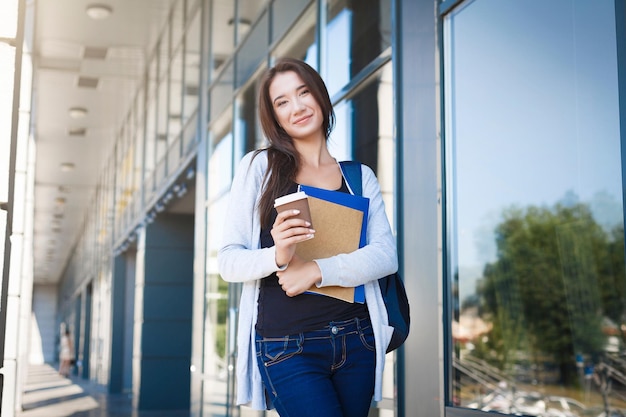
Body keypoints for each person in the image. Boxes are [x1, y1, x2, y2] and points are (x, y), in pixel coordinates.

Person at [218, 57, 398, 417]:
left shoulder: (359, 177)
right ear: (274, 116)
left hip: (357, 338)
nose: (297, 107)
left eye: (303, 93)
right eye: (282, 102)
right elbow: (228, 261)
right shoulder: (260, 168)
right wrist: (278, 254)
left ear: (320, 97)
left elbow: (385, 255)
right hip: (287, 346)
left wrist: (316, 269)